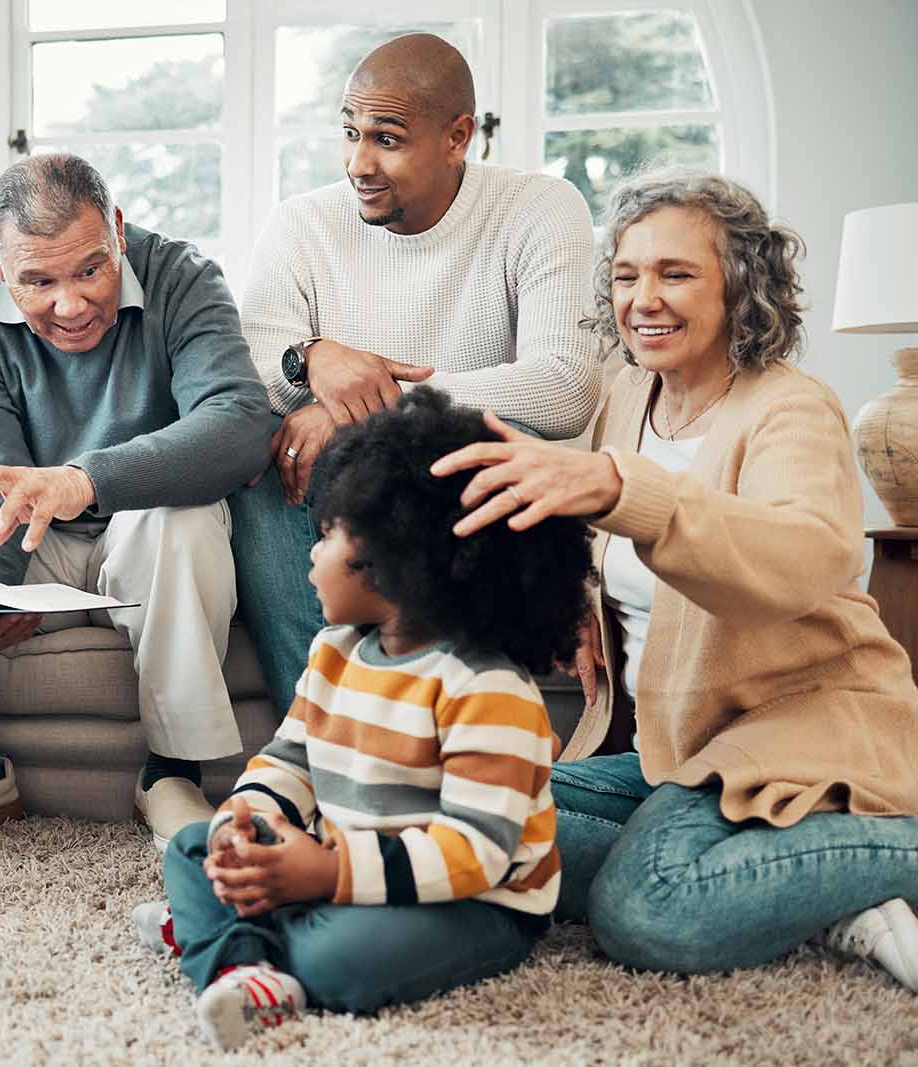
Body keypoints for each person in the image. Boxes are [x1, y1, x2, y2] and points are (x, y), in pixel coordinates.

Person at [432, 169, 918, 991]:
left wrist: (626, 491)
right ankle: (787, 888)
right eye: (626, 275)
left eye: (675, 273)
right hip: (673, 751)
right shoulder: (629, 394)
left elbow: (804, 558)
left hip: (798, 734)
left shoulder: (791, 409)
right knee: (478, 809)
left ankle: (875, 861)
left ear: (742, 284)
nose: (643, 298)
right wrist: (582, 600)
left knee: (646, 907)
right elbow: (610, 538)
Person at [132, 389, 594, 1051]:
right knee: (194, 846)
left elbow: (476, 853)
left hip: (474, 904)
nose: (310, 558)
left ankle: (226, 934)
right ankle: (242, 964)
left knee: (337, 963)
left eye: (326, 537)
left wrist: (324, 872)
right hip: (340, 867)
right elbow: (291, 758)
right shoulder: (336, 651)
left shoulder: (489, 689)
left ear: (392, 564)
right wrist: (252, 818)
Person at [0, 154, 277, 849]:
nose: (71, 304)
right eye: (38, 281)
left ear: (117, 231)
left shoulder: (185, 278)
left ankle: (172, 774)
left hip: (141, 544)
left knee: (190, 517)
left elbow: (238, 425)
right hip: (29, 549)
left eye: (90, 270)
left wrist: (82, 479)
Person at [232, 32, 601, 716]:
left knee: (493, 435)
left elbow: (566, 385)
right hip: (336, 486)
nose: (359, 162)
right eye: (350, 132)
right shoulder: (301, 224)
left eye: (387, 139)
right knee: (264, 463)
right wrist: (310, 358)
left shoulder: (540, 209)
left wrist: (378, 403)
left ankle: (451, 723)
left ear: (458, 136)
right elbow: (250, 372)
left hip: (457, 484)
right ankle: (320, 731)